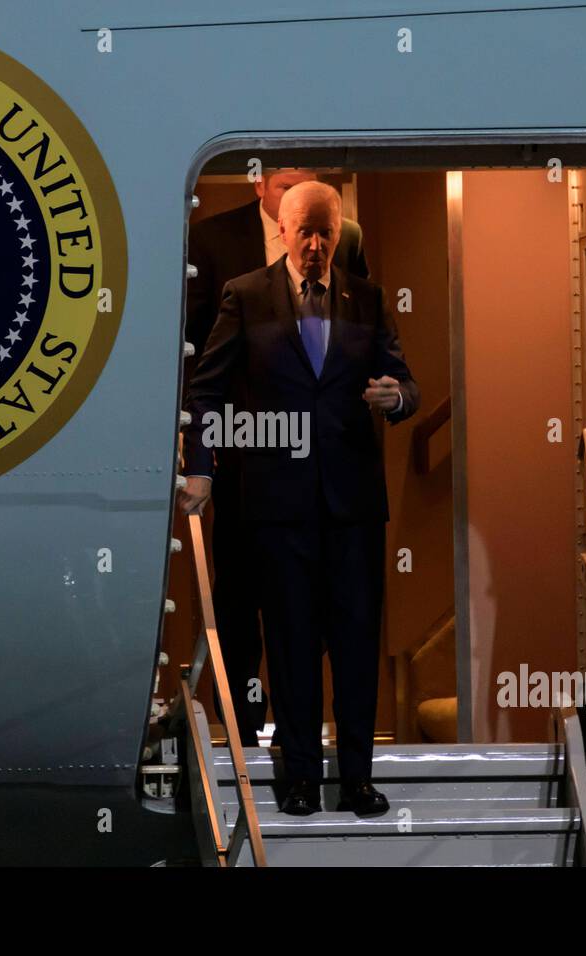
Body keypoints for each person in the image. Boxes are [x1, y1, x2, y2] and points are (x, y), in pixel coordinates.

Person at [179, 181, 419, 816]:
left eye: (325, 232)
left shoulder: (366, 299)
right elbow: (207, 391)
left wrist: (397, 398)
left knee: (356, 640)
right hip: (276, 504)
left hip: (352, 506)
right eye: (303, 231)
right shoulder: (245, 296)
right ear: (281, 230)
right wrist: (201, 469)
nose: (314, 244)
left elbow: (407, 381)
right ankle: (301, 778)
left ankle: (359, 777)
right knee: (288, 642)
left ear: (338, 236)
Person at [185, 169, 369, 748]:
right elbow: (198, 359)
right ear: (258, 183)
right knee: (239, 598)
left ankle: (300, 735)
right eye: (287, 179)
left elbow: (356, 337)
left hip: (318, 467)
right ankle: (241, 730)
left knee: (313, 605)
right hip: (247, 454)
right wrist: (201, 455)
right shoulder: (212, 240)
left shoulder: (349, 240)